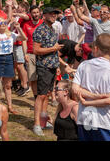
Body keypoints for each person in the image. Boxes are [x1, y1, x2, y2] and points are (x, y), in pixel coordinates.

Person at [72, 33, 110, 141]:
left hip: (84, 118)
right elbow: (108, 100)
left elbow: (75, 89)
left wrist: (87, 102)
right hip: (104, 121)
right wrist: (97, 96)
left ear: (95, 48)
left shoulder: (84, 65)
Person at [32, 7, 63, 136]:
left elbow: (54, 50)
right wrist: (53, 48)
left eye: (55, 14)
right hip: (43, 66)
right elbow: (36, 50)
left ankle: (44, 122)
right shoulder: (40, 30)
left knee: (47, 94)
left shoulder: (52, 29)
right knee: (41, 96)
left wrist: (57, 66)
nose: (54, 16)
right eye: (51, 13)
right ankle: (36, 124)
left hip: (52, 66)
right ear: (44, 15)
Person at [0, 17, 27, 114]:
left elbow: (24, 38)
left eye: (5, 22)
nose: (3, 24)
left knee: (8, 85)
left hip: (8, 58)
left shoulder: (11, 34)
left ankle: (10, 106)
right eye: (1, 23)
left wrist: (19, 28)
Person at [21, 5, 43, 98]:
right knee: (33, 78)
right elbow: (24, 40)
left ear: (40, 13)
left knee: (42, 78)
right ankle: (36, 98)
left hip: (42, 54)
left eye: (37, 12)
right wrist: (25, 54)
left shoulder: (43, 23)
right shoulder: (26, 25)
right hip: (30, 53)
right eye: (34, 12)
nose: (36, 14)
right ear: (30, 14)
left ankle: (43, 97)